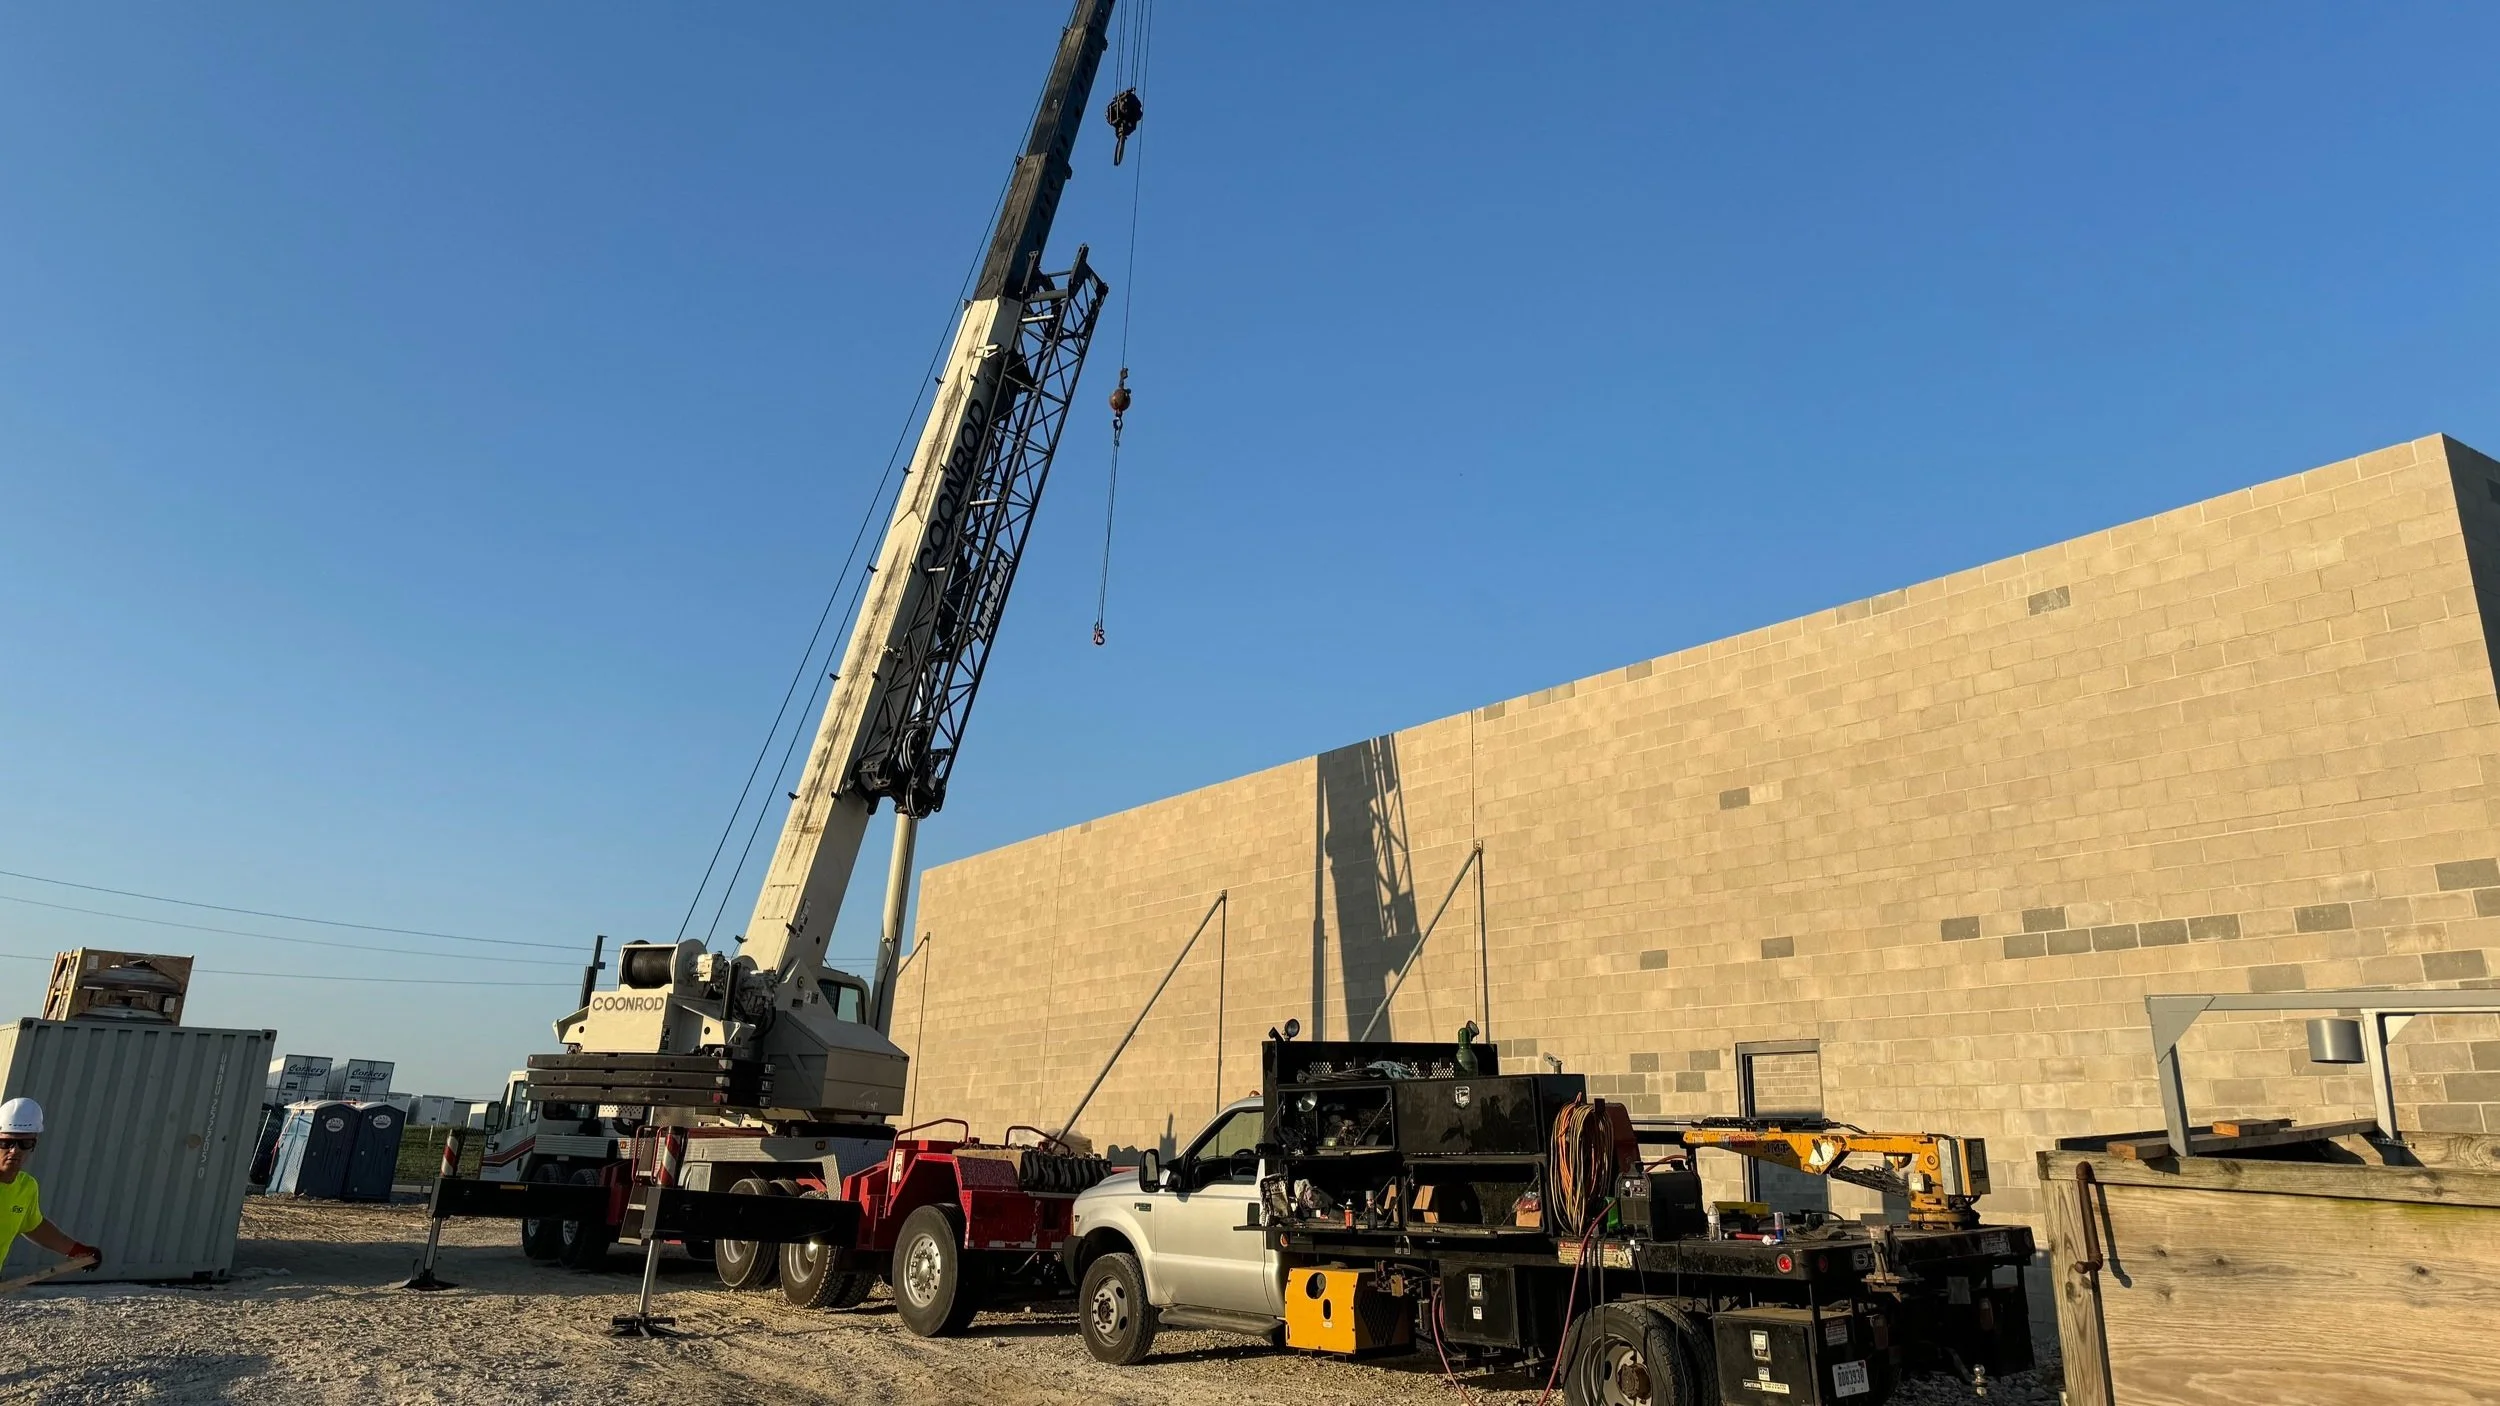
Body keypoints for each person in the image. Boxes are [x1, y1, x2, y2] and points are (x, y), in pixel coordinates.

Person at [0, 1097, 99, 1271]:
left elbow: (34, 1226)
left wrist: (76, 1250)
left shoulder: (26, 1187)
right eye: (6, 1143)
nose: (14, 1150)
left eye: (24, 1143)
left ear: (33, 1145)